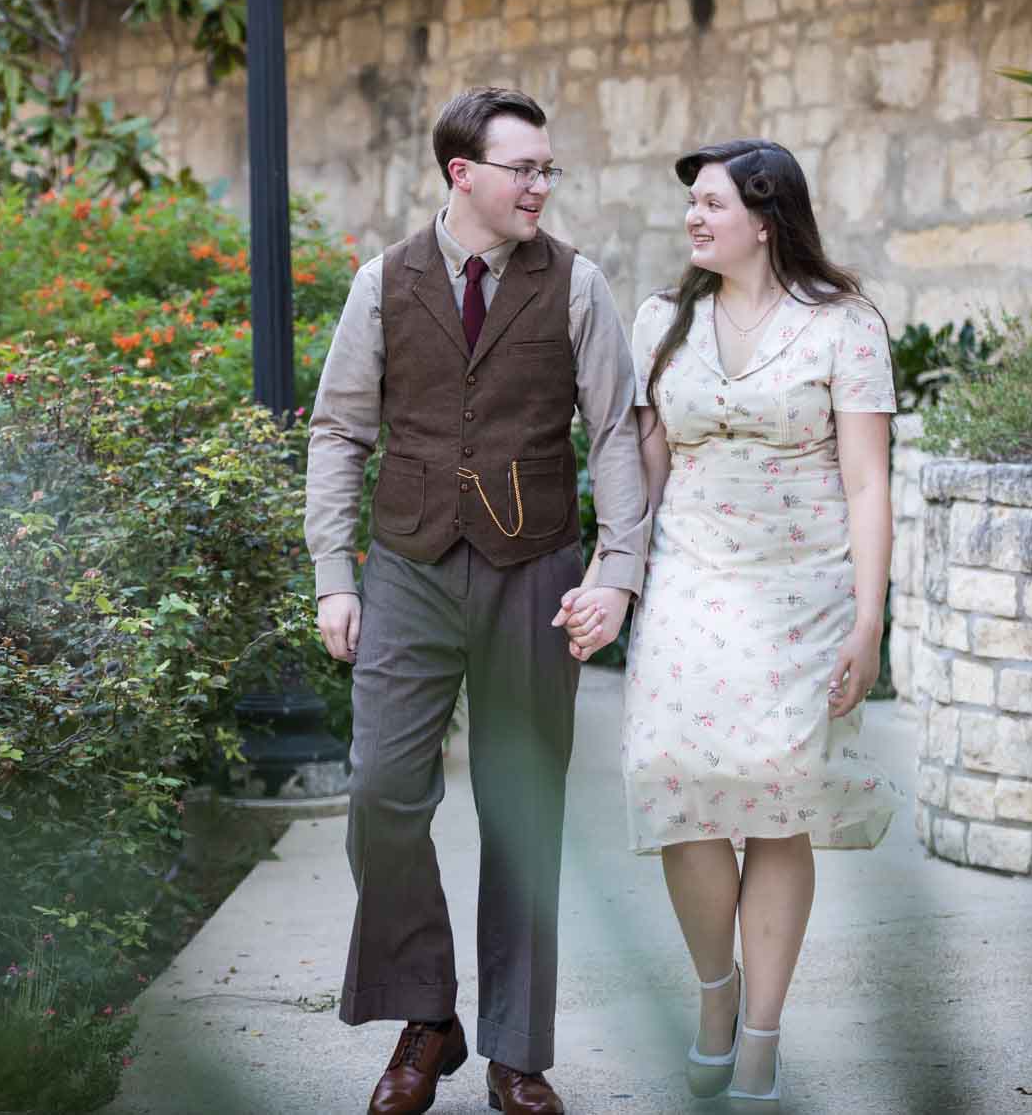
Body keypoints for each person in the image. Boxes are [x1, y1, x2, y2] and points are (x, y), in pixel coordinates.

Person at [304, 86, 648, 1115]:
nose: (541, 184)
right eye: (523, 168)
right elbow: (337, 432)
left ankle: (514, 1047)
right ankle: (427, 1011)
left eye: (547, 169)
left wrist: (615, 570)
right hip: (406, 564)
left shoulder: (578, 286)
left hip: (533, 569)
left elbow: (617, 435)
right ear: (464, 175)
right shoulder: (381, 283)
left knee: (521, 806)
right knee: (380, 793)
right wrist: (333, 573)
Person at [587, 138, 899, 1106]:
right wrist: (614, 577)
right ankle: (712, 993)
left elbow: (865, 480)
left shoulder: (842, 326)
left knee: (775, 804)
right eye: (692, 204)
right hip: (689, 585)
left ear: (764, 219)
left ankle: (759, 1030)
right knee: (677, 787)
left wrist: (866, 620)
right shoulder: (658, 322)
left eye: (711, 203)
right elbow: (639, 468)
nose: (692, 217)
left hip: (801, 594)